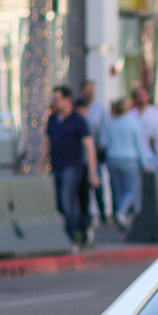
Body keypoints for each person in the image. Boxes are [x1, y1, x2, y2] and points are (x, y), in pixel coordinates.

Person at [45, 86, 97, 248]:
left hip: (73, 165)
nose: (55, 102)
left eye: (57, 99)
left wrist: (93, 172)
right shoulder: (53, 119)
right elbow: (47, 143)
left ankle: (72, 234)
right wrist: (42, 163)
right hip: (57, 165)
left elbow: (89, 146)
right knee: (60, 202)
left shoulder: (78, 120)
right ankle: (80, 228)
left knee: (68, 198)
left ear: (67, 100)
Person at [99, 96, 151, 230]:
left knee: (117, 190)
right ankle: (122, 211)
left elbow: (104, 143)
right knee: (133, 189)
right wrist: (144, 163)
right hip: (129, 159)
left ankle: (121, 214)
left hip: (113, 158)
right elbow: (140, 145)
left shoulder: (111, 124)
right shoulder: (134, 124)